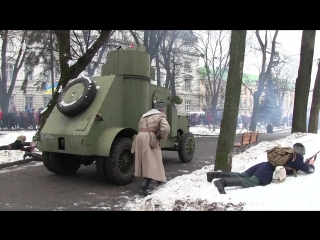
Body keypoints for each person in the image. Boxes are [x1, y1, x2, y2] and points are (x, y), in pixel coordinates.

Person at [208, 142, 315, 194]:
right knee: (250, 181)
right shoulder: (298, 159)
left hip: (263, 165)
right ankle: (223, 182)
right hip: (268, 171)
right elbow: (309, 169)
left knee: (242, 175)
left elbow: (297, 165)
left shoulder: (288, 153)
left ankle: (214, 174)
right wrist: (311, 163)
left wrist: (303, 163)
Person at [133, 100, 171, 196]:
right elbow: (166, 128)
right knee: (152, 163)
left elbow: (139, 127)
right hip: (150, 138)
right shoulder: (160, 116)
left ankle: (159, 179)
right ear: (161, 109)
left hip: (140, 137)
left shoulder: (145, 115)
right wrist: (160, 136)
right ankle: (143, 188)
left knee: (146, 162)